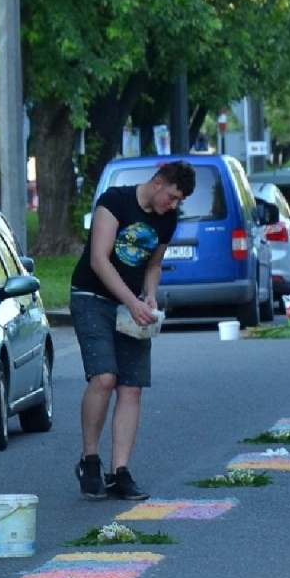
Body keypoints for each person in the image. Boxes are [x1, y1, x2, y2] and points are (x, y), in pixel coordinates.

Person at [69, 159, 195, 500]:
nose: (173, 205)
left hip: (132, 306)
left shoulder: (167, 220)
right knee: (105, 377)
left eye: (178, 201)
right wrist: (132, 301)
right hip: (92, 297)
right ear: (157, 183)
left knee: (131, 387)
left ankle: (119, 472)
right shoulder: (114, 201)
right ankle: (90, 459)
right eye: (172, 197)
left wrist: (149, 295)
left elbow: (153, 265)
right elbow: (99, 259)